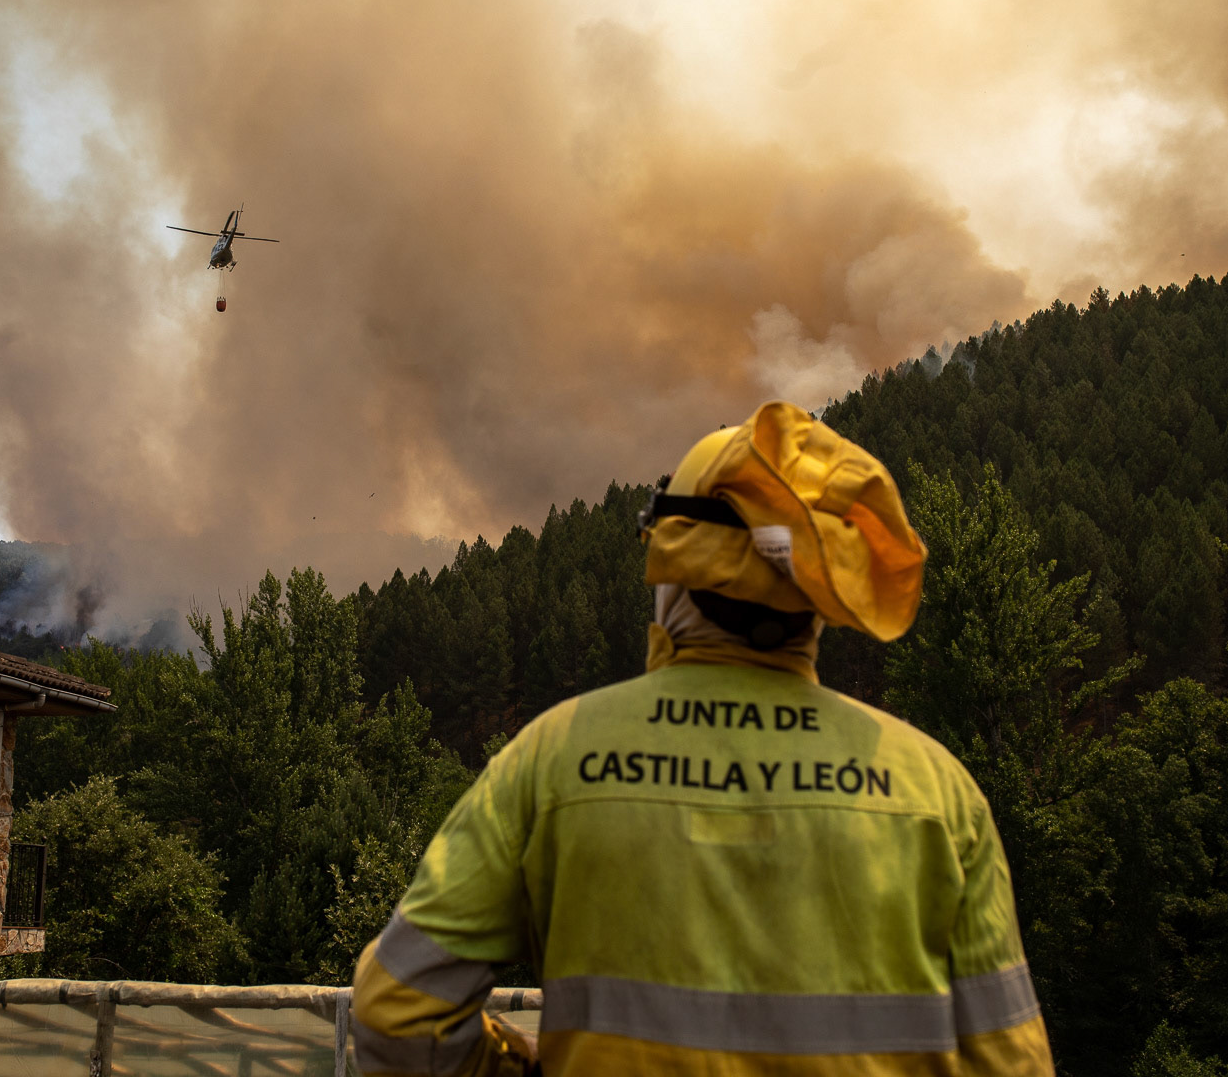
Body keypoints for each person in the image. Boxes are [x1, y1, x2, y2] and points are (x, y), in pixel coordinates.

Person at [351, 401, 1054, 1076]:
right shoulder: (936, 791)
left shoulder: (553, 759)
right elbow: (1010, 1061)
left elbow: (398, 1013)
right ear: (824, 588)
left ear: (673, 563)